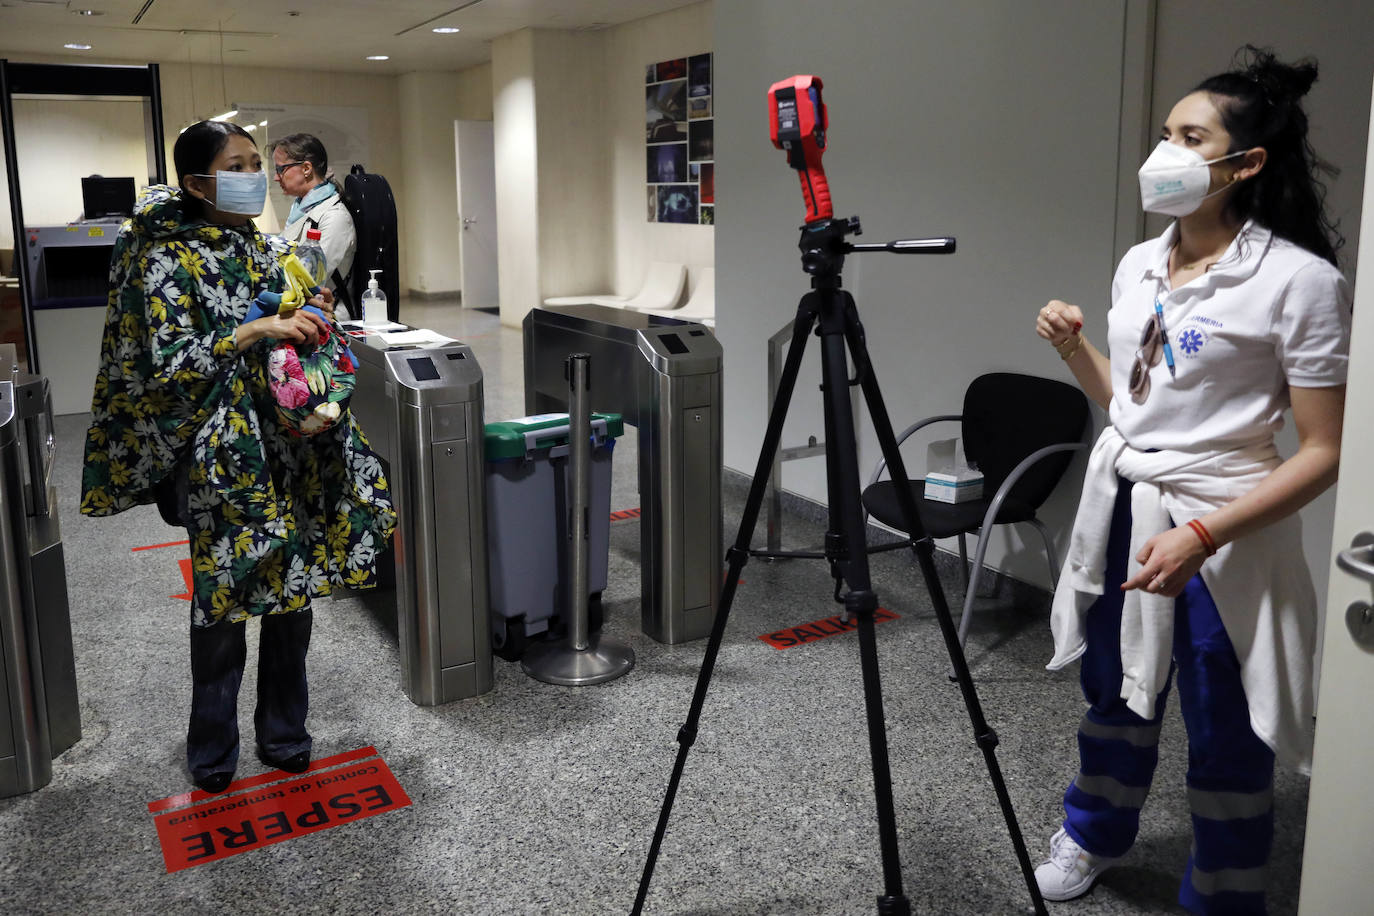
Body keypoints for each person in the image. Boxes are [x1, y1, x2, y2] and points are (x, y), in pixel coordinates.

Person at [1032, 47, 1349, 915]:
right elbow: (1131, 408)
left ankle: (1225, 888)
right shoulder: (1140, 262)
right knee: (1115, 690)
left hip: (1224, 523)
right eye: (1165, 132)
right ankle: (1094, 831)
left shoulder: (1301, 282)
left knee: (1225, 719)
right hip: (1127, 504)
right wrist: (1074, 350)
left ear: (1244, 163)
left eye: (1189, 136)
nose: (1163, 152)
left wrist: (1204, 535)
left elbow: (1324, 451)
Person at [80, 120, 396, 794]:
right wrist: (257, 328)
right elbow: (168, 367)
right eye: (239, 164)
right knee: (223, 603)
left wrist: (311, 313)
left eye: (259, 162)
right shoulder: (167, 259)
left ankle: (285, 733)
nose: (256, 174)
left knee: (293, 589)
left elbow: (297, 324)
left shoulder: (267, 246)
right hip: (219, 457)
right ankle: (213, 748)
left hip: (285, 446)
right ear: (197, 183)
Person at [271, 133, 357, 317]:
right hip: (299, 310)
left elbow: (309, 280)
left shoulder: (334, 218)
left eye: (280, 169)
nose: (276, 178)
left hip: (328, 317)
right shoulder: (302, 209)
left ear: (306, 168)